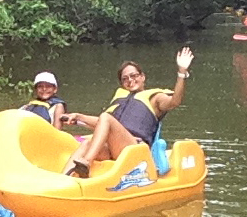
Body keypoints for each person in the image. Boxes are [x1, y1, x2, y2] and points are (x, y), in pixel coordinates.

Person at [60, 48, 193, 177]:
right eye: (125, 79)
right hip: (116, 148)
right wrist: (78, 116)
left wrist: (181, 72)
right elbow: (103, 125)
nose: (130, 80)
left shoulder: (155, 98)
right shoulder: (120, 98)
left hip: (136, 150)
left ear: (142, 77)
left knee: (105, 117)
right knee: (86, 144)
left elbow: (175, 101)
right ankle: (63, 180)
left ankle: (87, 162)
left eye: (134, 76)